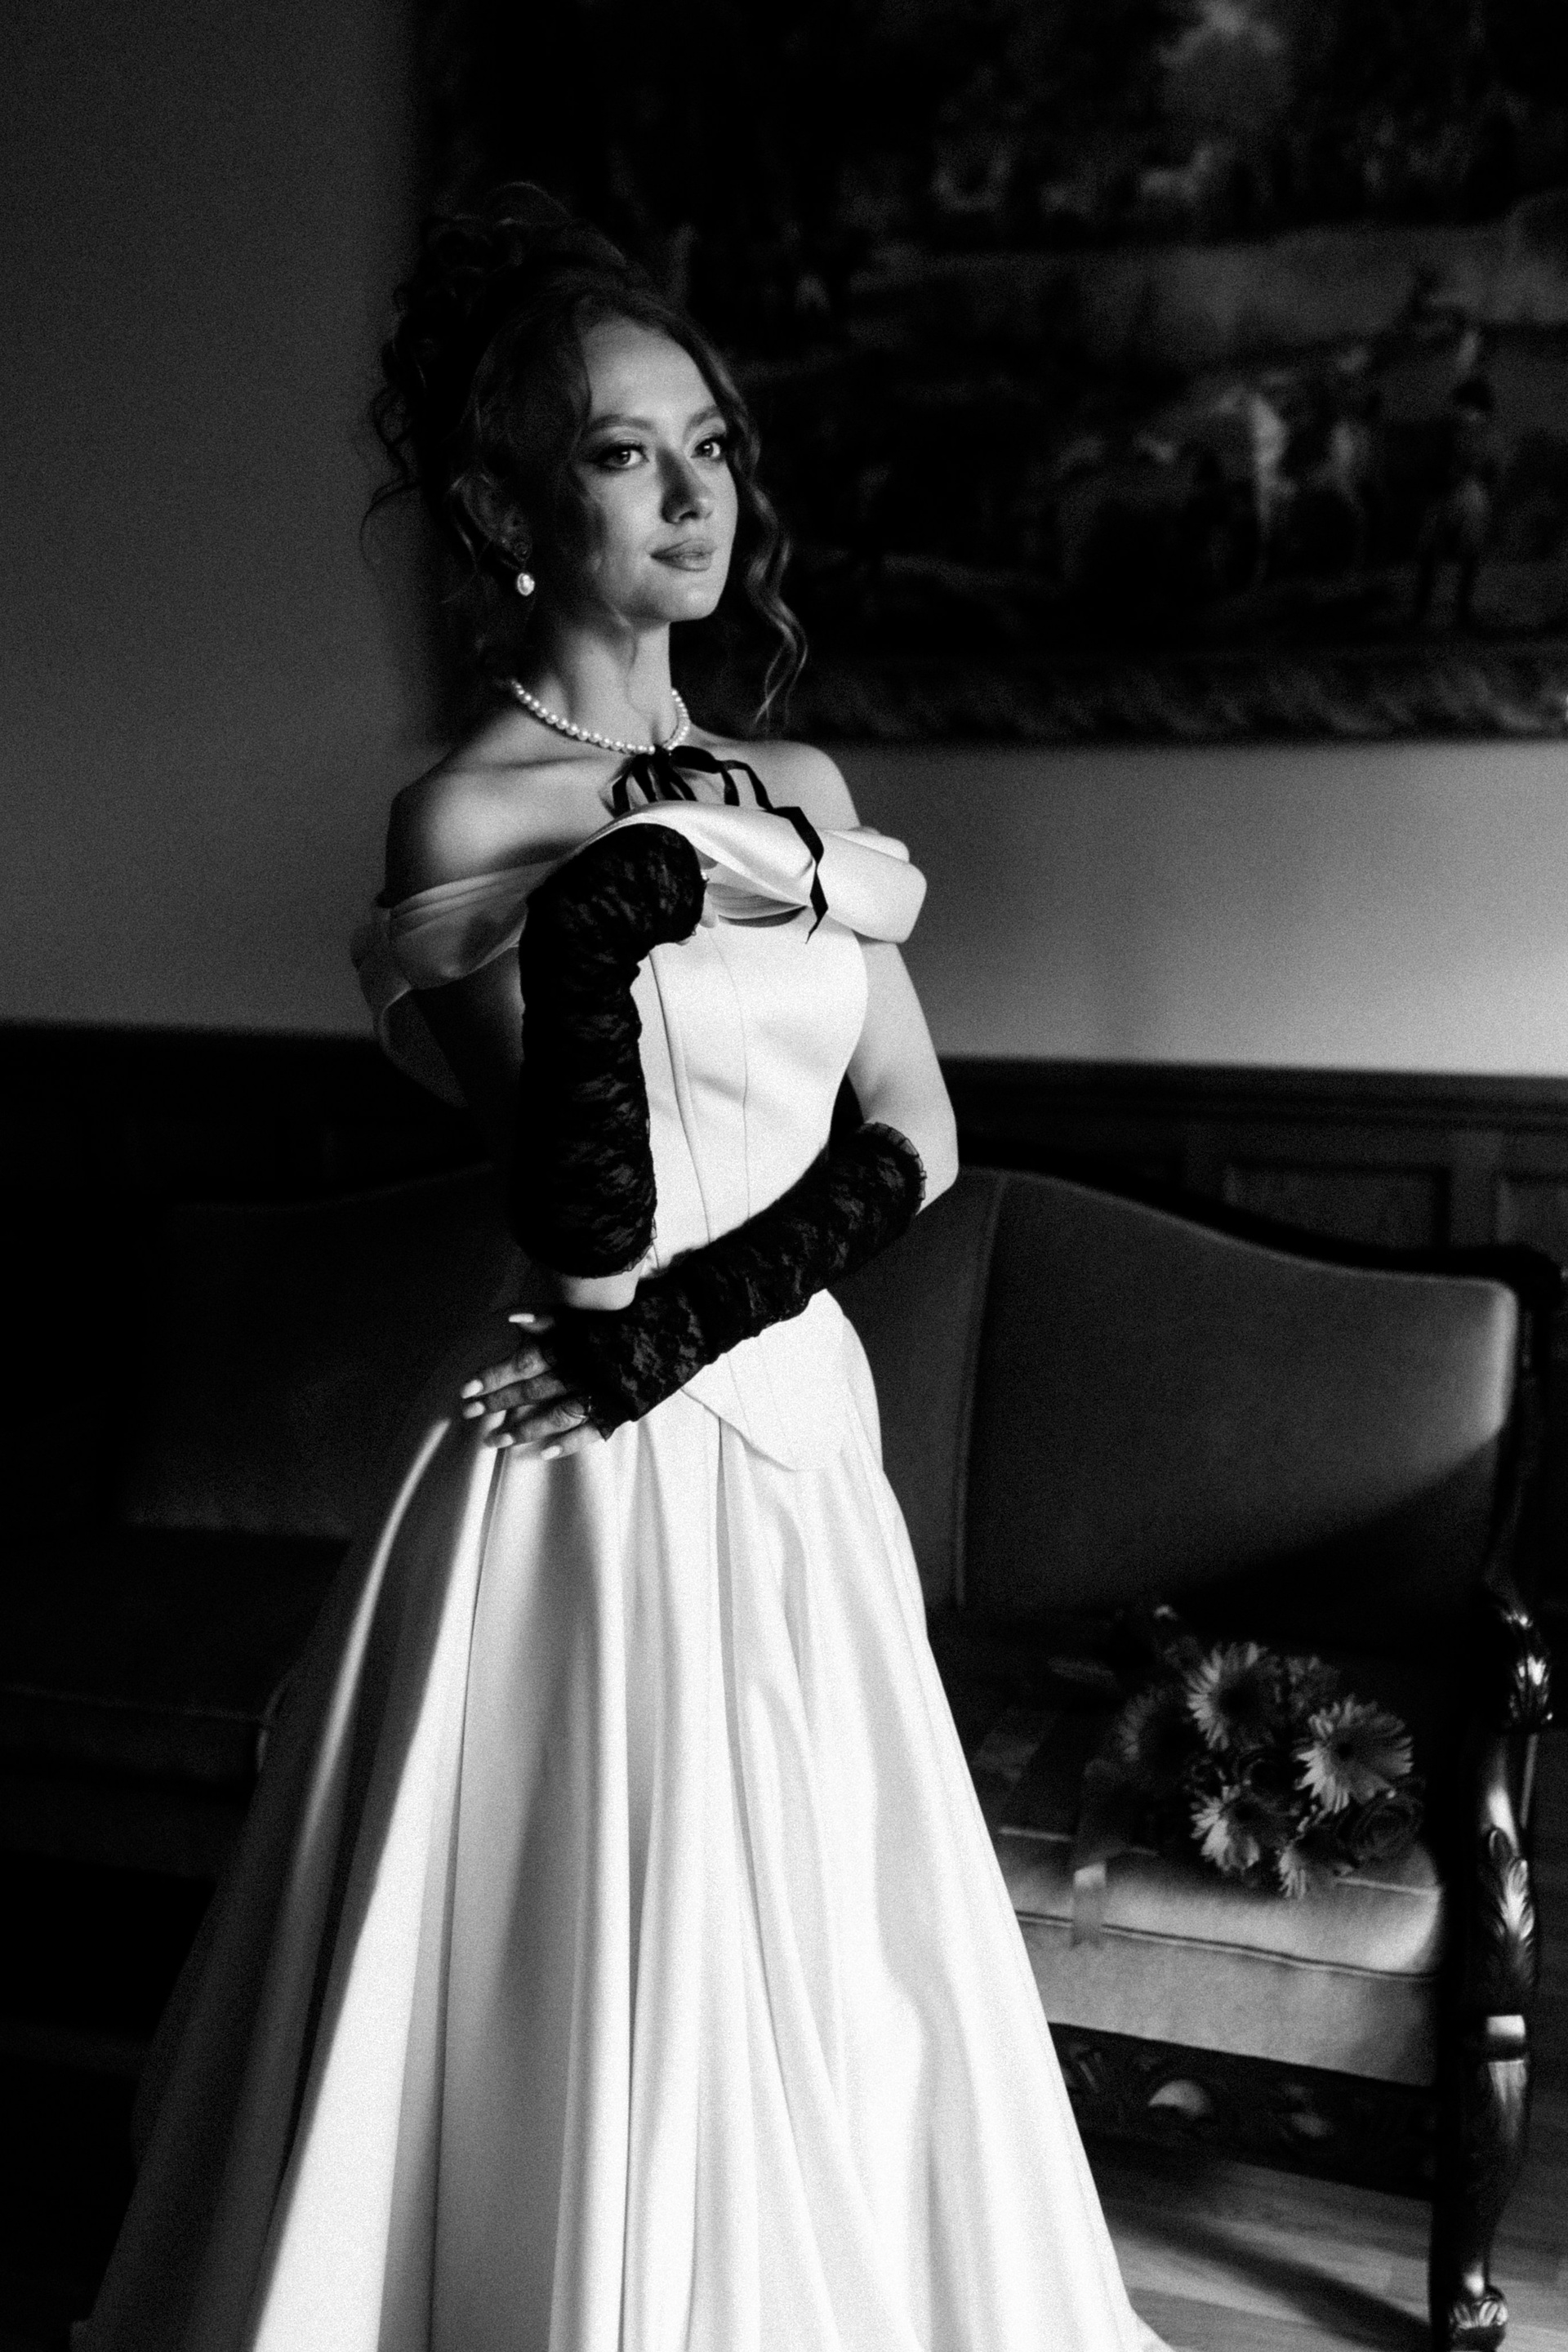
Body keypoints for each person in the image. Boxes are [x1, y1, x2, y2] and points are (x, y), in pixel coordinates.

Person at [78, 187, 1164, 2352]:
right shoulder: (459, 820)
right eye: (623, 453)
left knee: (832, 1949)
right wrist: (617, 906)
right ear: (508, 512)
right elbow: (577, 1200)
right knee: (569, 1961)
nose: (691, 495)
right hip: (579, 1450)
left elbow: (919, 1135)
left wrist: (693, 1330)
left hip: (775, 1420)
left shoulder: (807, 783)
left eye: (713, 447)